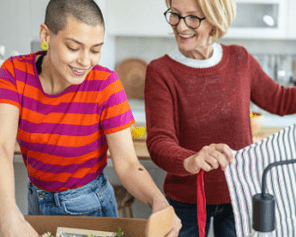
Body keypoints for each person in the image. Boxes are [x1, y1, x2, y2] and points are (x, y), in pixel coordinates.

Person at [144, 0, 296, 236]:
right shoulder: (160, 71)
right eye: (174, 14)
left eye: (193, 17)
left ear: (215, 18)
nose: (180, 27)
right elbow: (159, 142)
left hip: (239, 195)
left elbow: (280, 99)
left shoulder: (239, 59)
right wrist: (191, 159)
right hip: (187, 201)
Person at [0, 0, 181, 236]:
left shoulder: (105, 85)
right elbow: (2, 145)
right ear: (46, 34)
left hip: (89, 206)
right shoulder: (14, 73)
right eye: (74, 47)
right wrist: (7, 215)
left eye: (95, 50)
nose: (85, 61)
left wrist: (159, 202)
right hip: (36, 199)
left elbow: (127, 164)